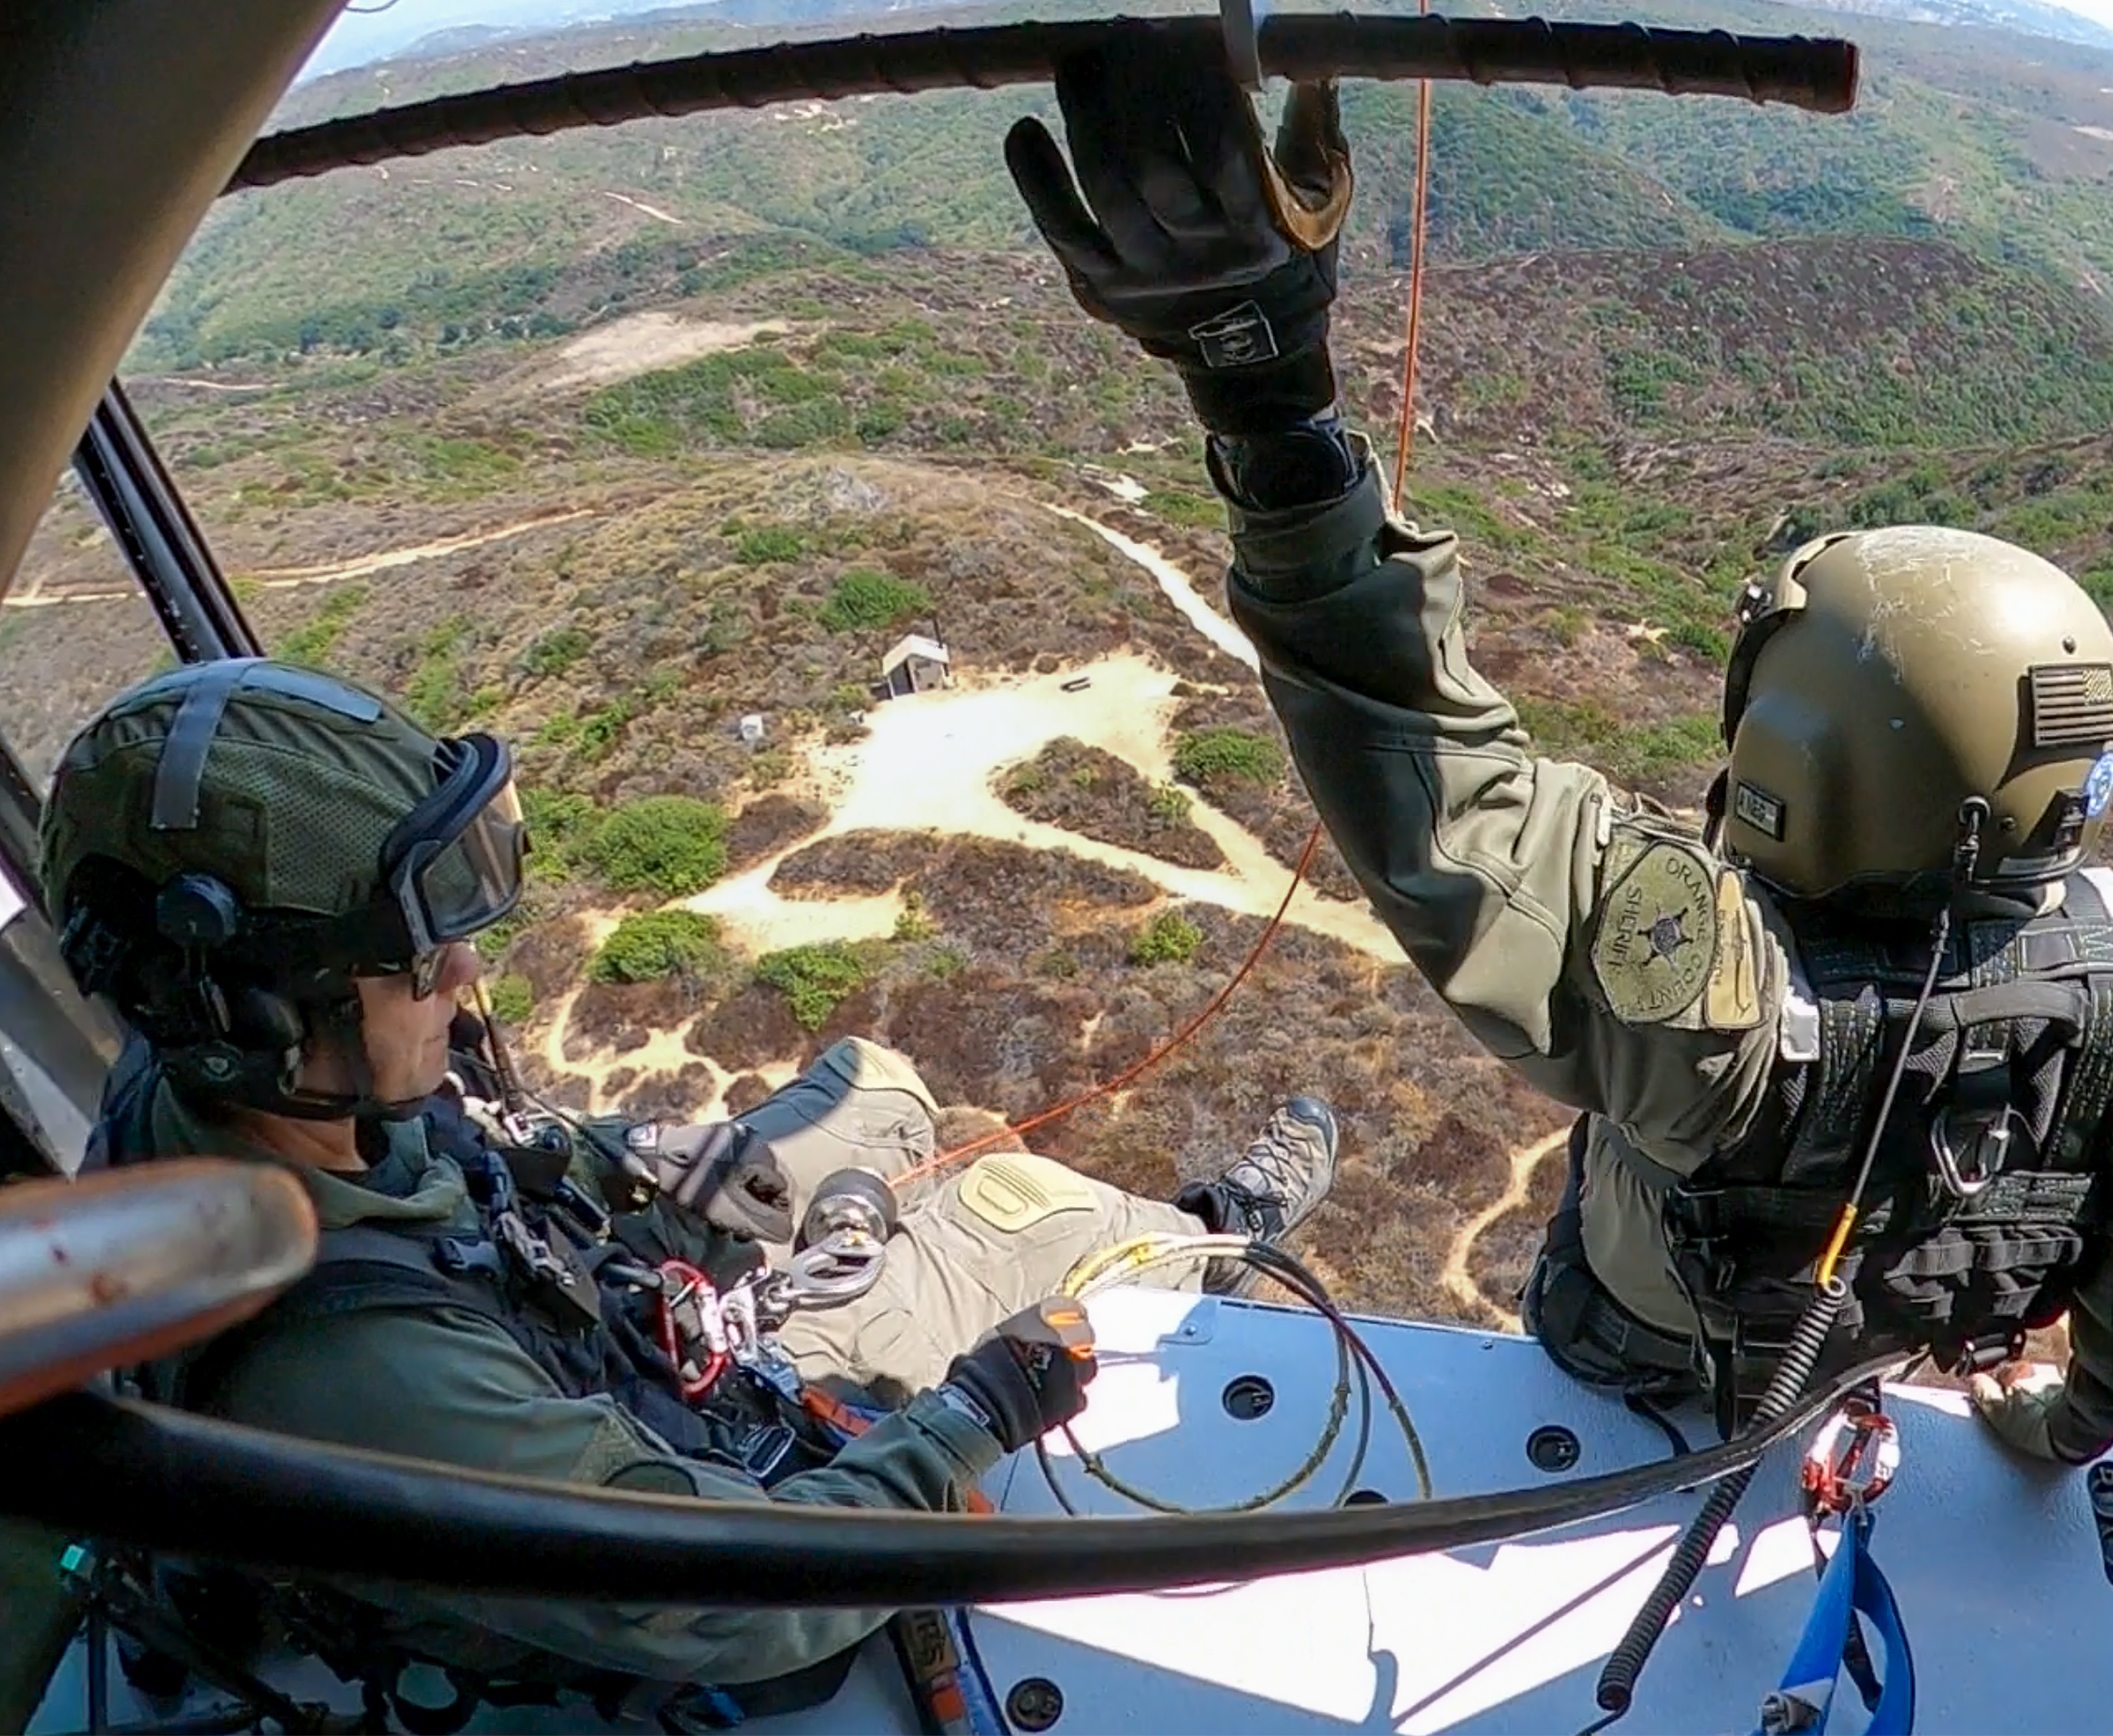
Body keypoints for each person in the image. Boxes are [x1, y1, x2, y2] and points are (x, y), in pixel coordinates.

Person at [1006, 37, 2113, 1468]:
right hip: (1872, 1368)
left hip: (1631, 1353)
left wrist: (1262, 393)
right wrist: (2056, 1430)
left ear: (1801, 753)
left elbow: (1428, 764)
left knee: (1596, 1305)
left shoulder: (1709, 983)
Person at [37, 656, 1343, 1712]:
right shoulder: (359, 1370)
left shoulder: (243, 1094)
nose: (463, 985)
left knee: (878, 1089)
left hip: (590, 1322)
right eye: (415, 965)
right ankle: (1205, 1239)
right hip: (680, 1449)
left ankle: (1111, 1233)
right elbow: (743, 1597)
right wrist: (967, 1421)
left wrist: (630, 1159)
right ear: (266, 1008)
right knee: (1023, 1210)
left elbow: (461, 1160)